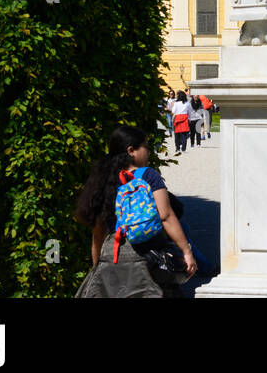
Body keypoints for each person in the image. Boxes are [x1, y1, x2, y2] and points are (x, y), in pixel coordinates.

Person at [74, 125, 197, 298]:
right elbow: (166, 215)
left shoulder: (103, 178)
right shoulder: (148, 175)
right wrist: (186, 251)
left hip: (112, 256)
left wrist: (97, 266)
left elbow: (98, 232)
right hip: (145, 258)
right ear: (131, 150)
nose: (148, 151)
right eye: (146, 147)